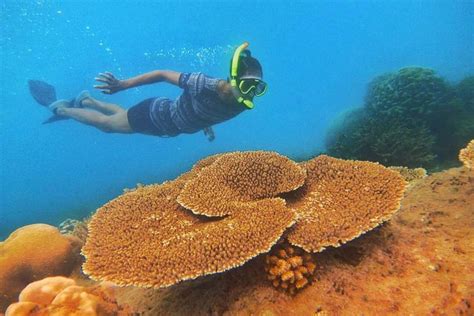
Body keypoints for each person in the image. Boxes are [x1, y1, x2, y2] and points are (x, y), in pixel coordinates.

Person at [28, 42, 267, 140]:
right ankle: (62, 108)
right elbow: (162, 74)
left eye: (257, 89)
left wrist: (205, 123)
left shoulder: (240, 105)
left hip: (165, 123)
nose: (248, 95)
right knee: (107, 125)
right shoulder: (204, 84)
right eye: (246, 87)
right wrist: (122, 85)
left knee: (120, 115)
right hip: (155, 116)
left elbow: (208, 109)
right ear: (232, 79)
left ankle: (88, 100)